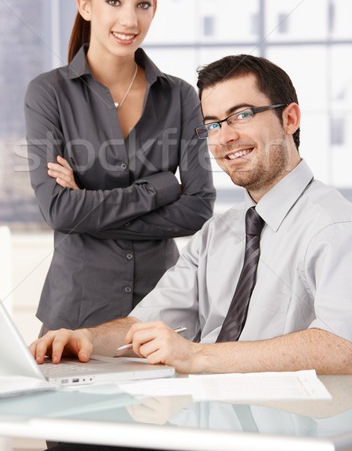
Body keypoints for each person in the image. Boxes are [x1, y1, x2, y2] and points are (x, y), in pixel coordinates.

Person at [30, 54, 352, 375]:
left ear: (290, 119)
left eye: (241, 115)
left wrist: (199, 356)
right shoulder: (218, 233)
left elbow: (344, 346)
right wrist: (85, 338)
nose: (225, 137)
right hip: (208, 416)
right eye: (212, 124)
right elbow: (146, 323)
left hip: (285, 421)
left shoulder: (334, 227)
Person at [24, 0, 215, 334]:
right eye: (114, 1)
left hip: (162, 315)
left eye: (143, 4)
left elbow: (198, 208)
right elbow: (59, 211)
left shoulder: (180, 96)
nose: (129, 19)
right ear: (86, 5)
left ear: (154, 9)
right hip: (73, 316)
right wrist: (159, 189)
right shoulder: (49, 93)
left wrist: (88, 212)